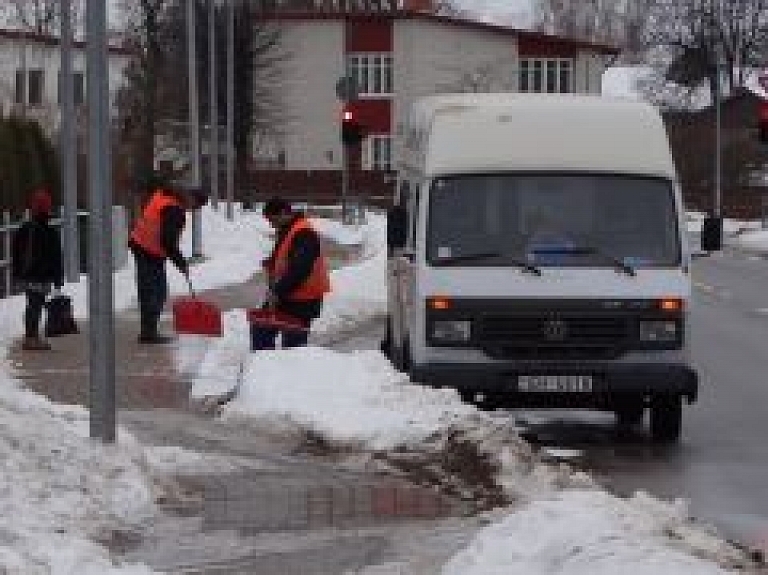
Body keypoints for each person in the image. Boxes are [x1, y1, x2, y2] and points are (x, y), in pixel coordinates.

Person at [128, 182, 209, 344]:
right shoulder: (174, 209)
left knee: (152, 290)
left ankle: (148, 330)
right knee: (154, 292)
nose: (192, 210)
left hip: (144, 246)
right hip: (148, 250)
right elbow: (168, 241)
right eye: (195, 207)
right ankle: (148, 333)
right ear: (192, 199)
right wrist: (181, 262)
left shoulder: (166, 196)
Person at [252, 197, 331, 350]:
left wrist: (278, 291)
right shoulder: (288, 229)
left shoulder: (304, 233)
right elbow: (288, 256)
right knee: (261, 327)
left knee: (293, 346)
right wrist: (272, 261)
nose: (271, 224)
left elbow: (300, 267)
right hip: (287, 295)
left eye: (272, 220)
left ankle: (288, 371)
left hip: (303, 300)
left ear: (283, 213)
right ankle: (263, 367)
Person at [11, 188, 64, 351]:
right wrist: (58, 279)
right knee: (36, 305)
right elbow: (56, 258)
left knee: (32, 304)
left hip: (27, 275)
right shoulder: (50, 232)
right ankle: (31, 337)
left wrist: (17, 273)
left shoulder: (24, 229)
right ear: (48, 208)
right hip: (41, 277)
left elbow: (16, 253)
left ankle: (31, 335)